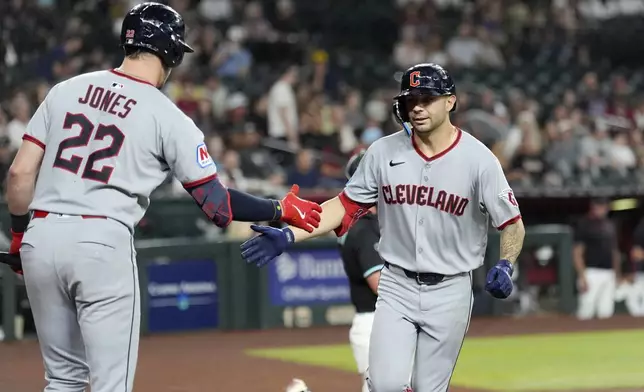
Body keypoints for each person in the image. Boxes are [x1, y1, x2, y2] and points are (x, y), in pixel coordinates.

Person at [2, 3, 322, 392]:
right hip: (102, 242)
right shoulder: (167, 116)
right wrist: (278, 208)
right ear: (170, 52)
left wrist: (20, 238)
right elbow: (218, 208)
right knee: (109, 385)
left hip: (42, 236)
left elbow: (19, 175)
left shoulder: (64, 90)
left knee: (62, 381)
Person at [240, 63, 526, 392]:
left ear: (450, 101)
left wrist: (506, 263)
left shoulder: (479, 160)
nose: (417, 107)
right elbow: (343, 206)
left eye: (426, 99)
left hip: (451, 289)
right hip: (397, 286)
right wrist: (291, 232)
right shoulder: (381, 152)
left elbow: (512, 224)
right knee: (386, 386)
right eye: (410, 100)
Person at [337, 149, 384, 392]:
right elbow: (378, 282)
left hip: (378, 322)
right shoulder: (365, 230)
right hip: (375, 323)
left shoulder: (359, 224)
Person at [573, 197, 621, 320]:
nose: (601, 209)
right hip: (590, 272)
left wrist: (617, 274)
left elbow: (614, 251)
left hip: (609, 272)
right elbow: (577, 252)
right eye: (598, 206)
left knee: (606, 311)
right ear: (592, 207)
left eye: (603, 206)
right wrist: (582, 276)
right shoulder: (584, 224)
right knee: (586, 311)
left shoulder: (610, 225)